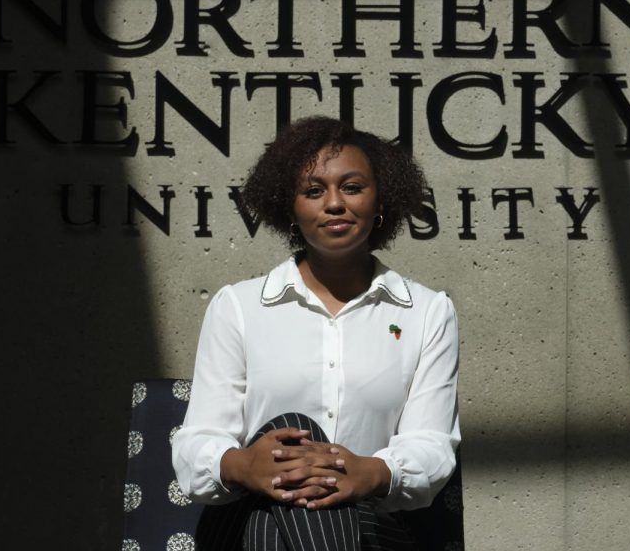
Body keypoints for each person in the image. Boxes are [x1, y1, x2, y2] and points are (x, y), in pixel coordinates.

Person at [171, 116, 460, 550]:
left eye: (352, 187)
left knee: (285, 507)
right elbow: (198, 444)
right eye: (313, 191)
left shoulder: (427, 312)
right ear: (290, 208)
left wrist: (371, 472)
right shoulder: (239, 307)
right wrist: (245, 465)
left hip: (374, 530)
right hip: (246, 519)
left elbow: (431, 446)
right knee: (291, 436)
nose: (334, 203)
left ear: (379, 200)